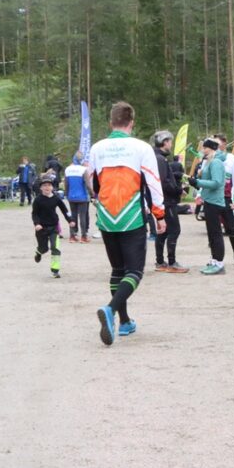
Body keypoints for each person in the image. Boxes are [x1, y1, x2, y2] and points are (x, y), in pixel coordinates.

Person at [88, 101, 166, 346]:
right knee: (134, 272)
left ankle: (125, 322)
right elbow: (153, 183)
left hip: (106, 217)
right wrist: (159, 215)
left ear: (111, 122)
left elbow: (93, 181)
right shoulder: (141, 148)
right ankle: (111, 310)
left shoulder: (97, 148)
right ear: (132, 122)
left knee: (117, 271)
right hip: (131, 216)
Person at [187, 138, 228, 276]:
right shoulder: (209, 161)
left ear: (210, 149)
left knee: (216, 234)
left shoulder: (216, 162)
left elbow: (216, 182)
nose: (202, 151)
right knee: (211, 233)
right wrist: (195, 179)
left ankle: (219, 264)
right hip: (209, 200)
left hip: (215, 202)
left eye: (204, 148)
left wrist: (198, 182)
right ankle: (214, 260)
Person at [151, 130, 188, 273]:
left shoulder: (158, 157)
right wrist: (179, 190)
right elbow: (163, 182)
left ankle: (160, 262)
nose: (171, 144)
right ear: (165, 142)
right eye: (170, 141)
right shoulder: (160, 159)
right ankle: (171, 263)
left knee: (163, 231)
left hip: (163, 200)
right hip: (166, 201)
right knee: (174, 230)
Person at [31, 172, 75, 279]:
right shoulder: (38, 200)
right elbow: (34, 214)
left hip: (54, 227)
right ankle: (39, 252)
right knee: (44, 249)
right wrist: (37, 224)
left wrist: (70, 220)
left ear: (52, 187)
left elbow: (65, 210)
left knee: (55, 248)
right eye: (44, 186)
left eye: (49, 185)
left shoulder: (56, 198)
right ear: (41, 188)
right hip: (41, 228)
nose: (47, 187)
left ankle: (55, 270)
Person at [213, 133, 234, 265]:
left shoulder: (232, 159)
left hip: (225, 198)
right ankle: (215, 258)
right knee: (214, 230)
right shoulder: (209, 157)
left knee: (231, 228)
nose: (216, 147)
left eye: (218, 144)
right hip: (212, 198)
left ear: (224, 144)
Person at [64, 153, 92, 243]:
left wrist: (66, 194)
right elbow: (88, 184)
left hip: (71, 196)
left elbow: (66, 184)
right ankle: (84, 236)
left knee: (73, 216)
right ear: (82, 160)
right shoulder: (84, 170)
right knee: (82, 216)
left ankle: (72, 236)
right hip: (82, 196)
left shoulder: (68, 169)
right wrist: (92, 193)